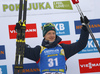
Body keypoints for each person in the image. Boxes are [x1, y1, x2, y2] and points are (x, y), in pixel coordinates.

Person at [24, 16, 89, 74]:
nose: (52, 35)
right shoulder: (39, 50)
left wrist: (85, 28)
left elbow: (81, 44)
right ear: (44, 35)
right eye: (49, 33)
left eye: (53, 33)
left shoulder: (63, 48)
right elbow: (23, 51)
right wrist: (19, 34)